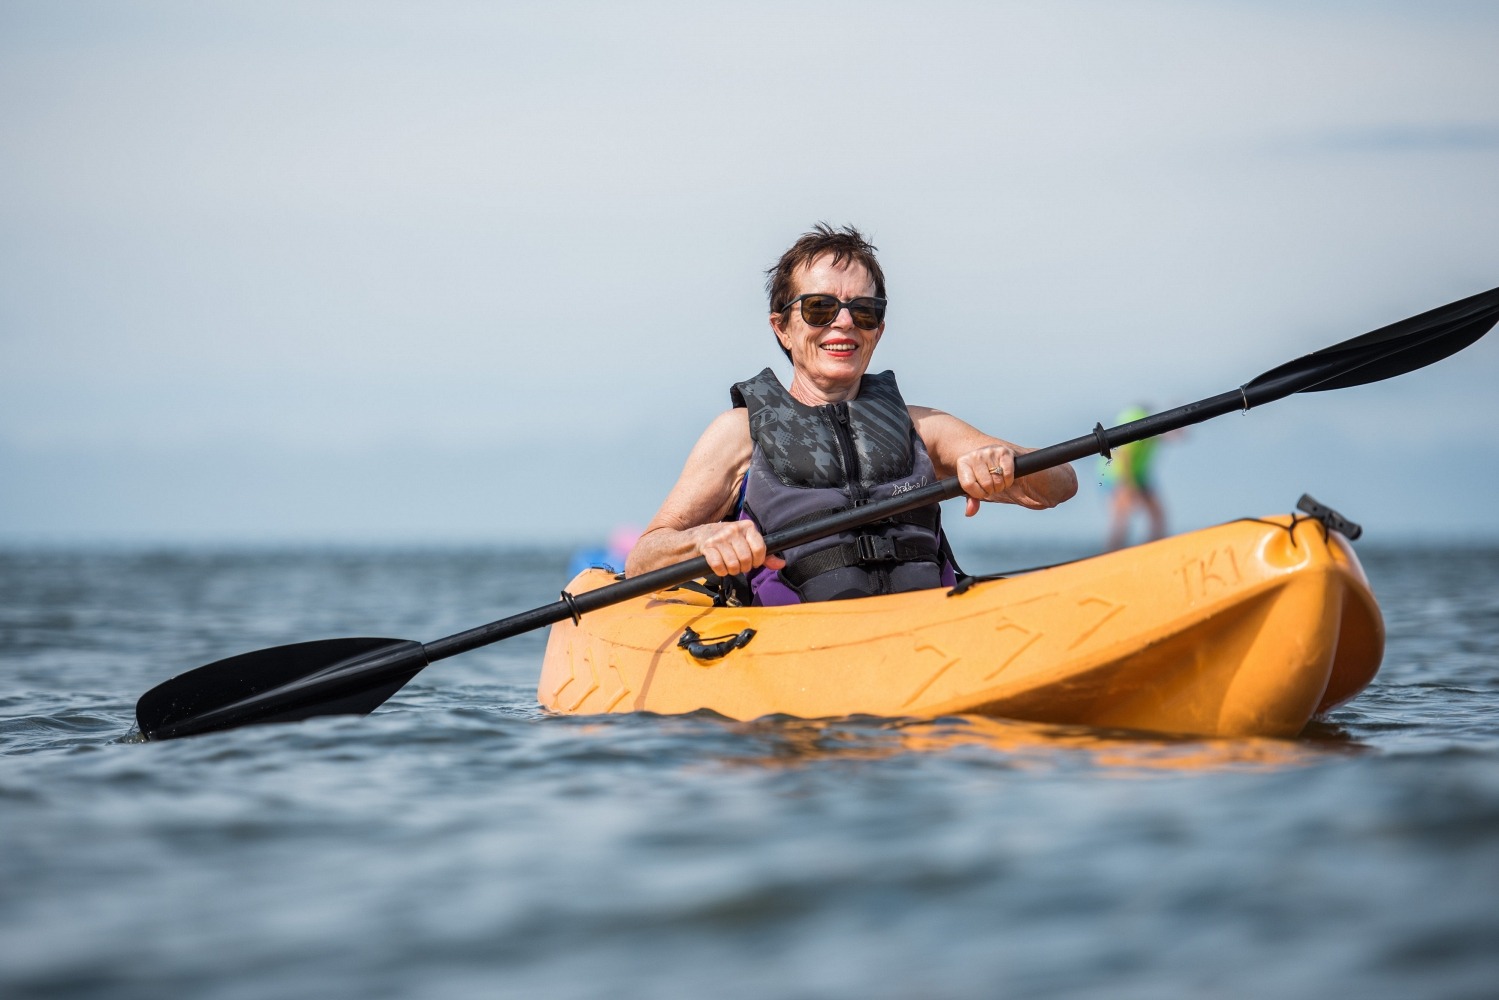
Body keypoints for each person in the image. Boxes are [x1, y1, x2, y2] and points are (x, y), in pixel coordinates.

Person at [625, 223, 1077, 604]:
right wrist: (702, 541)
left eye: (863, 311)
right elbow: (644, 557)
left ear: (878, 330)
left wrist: (1003, 463)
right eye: (819, 308)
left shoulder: (924, 428)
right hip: (796, 648)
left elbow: (1061, 483)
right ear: (781, 328)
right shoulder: (738, 436)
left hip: (926, 628)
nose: (843, 323)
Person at [1100, 404, 1168, 550]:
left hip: (1139, 476)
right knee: (1122, 515)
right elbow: (1124, 454)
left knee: (1157, 513)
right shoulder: (1142, 422)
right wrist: (1127, 483)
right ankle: (1110, 554)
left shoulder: (1157, 435)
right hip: (1118, 474)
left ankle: (1154, 549)